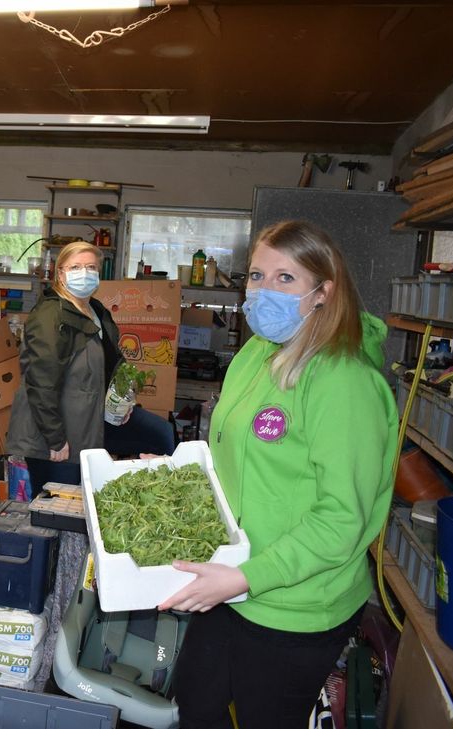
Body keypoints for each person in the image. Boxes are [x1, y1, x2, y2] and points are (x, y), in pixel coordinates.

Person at [159, 221, 397, 728]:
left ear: (323, 292)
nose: (264, 291)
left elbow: (340, 521)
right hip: (230, 573)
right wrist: (172, 473)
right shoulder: (256, 353)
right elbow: (231, 452)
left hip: (294, 602)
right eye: (256, 276)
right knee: (196, 705)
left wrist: (246, 577)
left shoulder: (344, 383)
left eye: (285, 278)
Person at [5, 241, 175, 492]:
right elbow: (40, 382)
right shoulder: (51, 316)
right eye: (75, 267)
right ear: (60, 274)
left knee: (160, 434)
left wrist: (122, 402)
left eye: (90, 267)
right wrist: (55, 440)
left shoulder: (96, 310)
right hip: (54, 428)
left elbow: (112, 361)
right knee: (61, 507)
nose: (84, 273)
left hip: (92, 415)